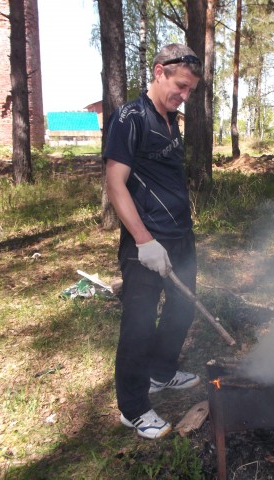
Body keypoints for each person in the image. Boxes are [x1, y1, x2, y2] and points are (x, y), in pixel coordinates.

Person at [104, 44, 203, 439]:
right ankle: (133, 407)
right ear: (159, 72)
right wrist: (144, 241)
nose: (184, 96)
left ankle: (161, 373)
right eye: (181, 86)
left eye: (191, 90)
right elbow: (116, 183)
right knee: (139, 325)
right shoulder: (131, 116)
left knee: (183, 308)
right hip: (145, 243)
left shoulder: (171, 119)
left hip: (180, 234)